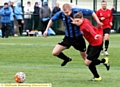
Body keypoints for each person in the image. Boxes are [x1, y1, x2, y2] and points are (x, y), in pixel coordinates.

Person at [71, 12, 110, 81]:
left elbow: (90, 29)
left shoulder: (84, 25)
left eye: (78, 21)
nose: (77, 22)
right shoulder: (85, 20)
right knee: (88, 60)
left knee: (87, 62)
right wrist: (75, 22)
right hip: (92, 43)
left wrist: (95, 35)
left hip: (97, 43)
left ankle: (104, 61)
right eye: (75, 21)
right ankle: (97, 77)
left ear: (82, 19)